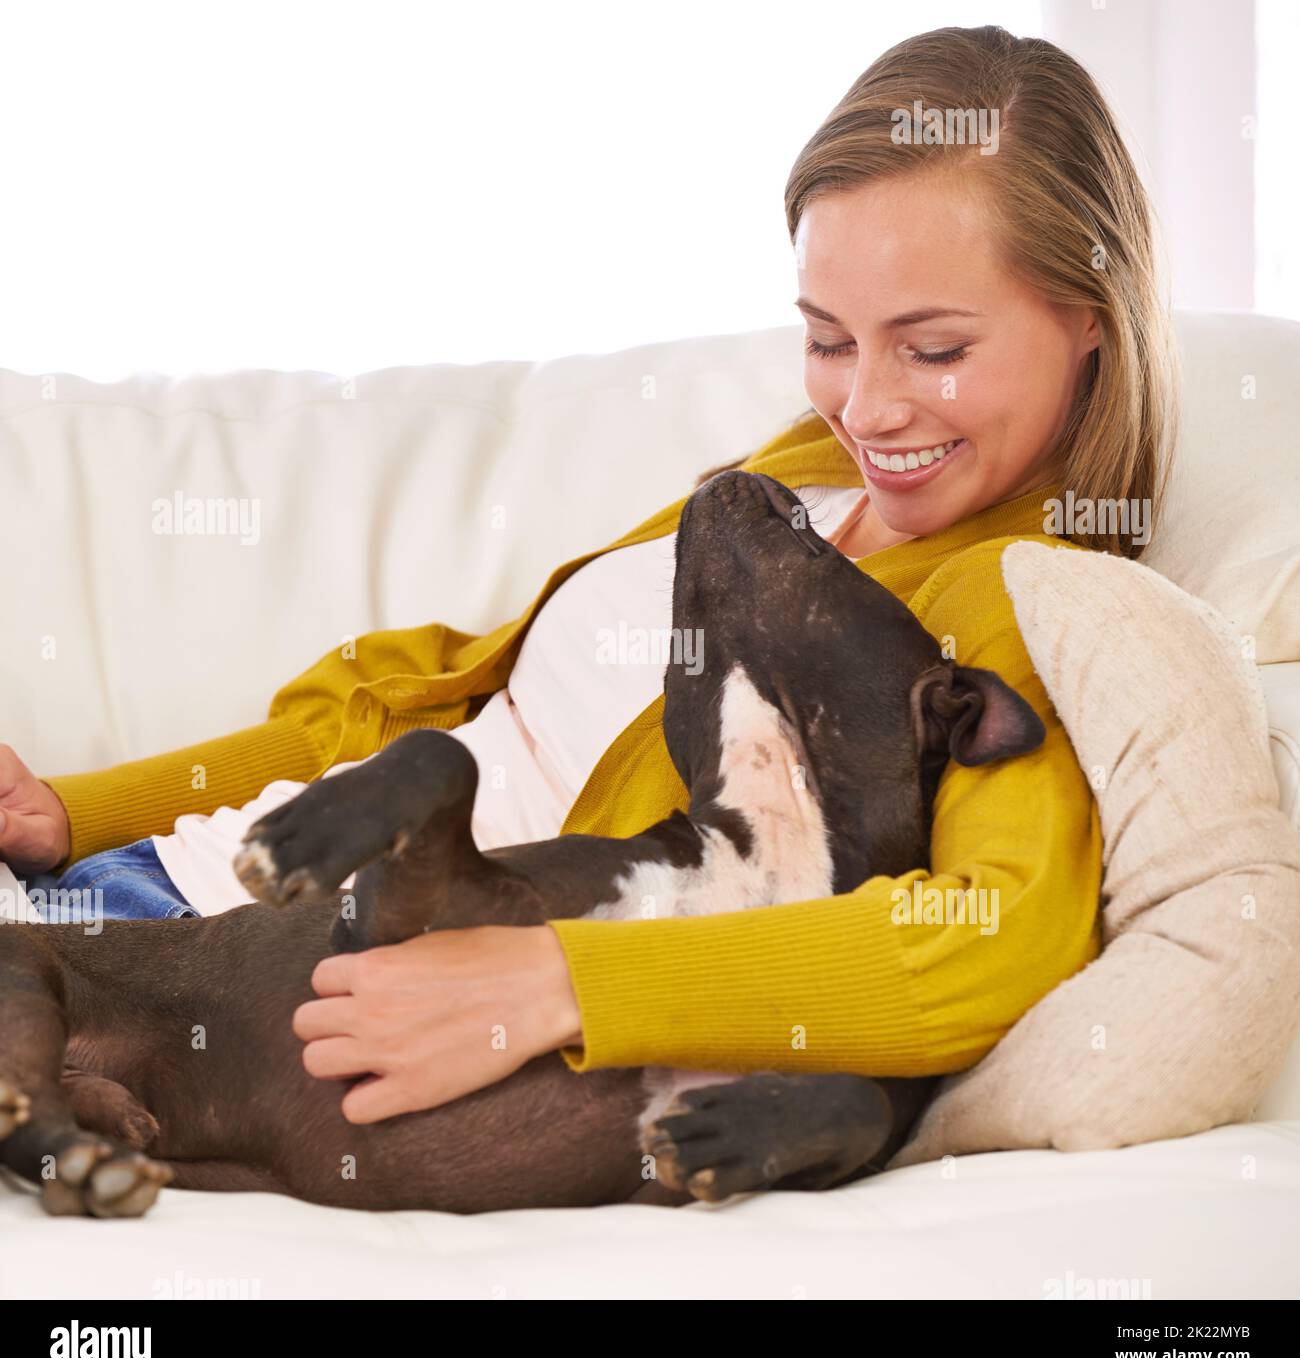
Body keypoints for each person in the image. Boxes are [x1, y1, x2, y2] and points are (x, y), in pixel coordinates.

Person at [0, 25, 1174, 1132]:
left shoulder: (1021, 598)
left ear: (1088, 316)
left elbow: (992, 932)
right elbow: (447, 700)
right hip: (151, 882)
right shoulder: (801, 471)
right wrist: (75, 813)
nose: (865, 404)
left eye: (934, 349)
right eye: (827, 338)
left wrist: (565, 980)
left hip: (264, 995)